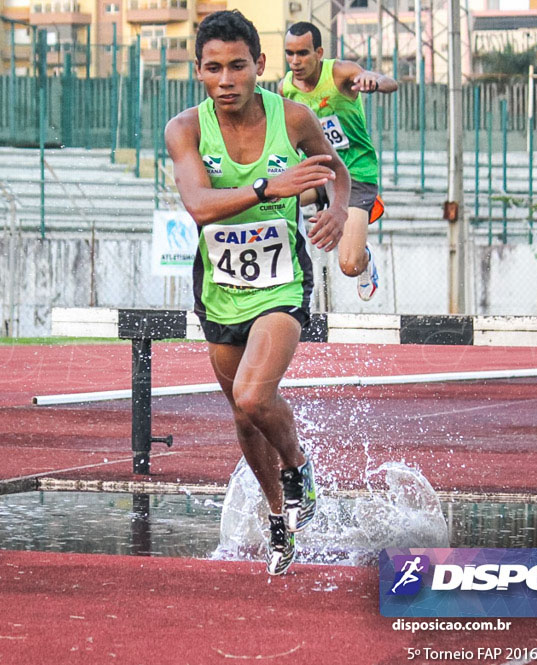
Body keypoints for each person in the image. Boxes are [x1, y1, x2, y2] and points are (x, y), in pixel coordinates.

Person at [165, 10, 351, 575]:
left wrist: (338, 211)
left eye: (238, 66)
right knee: (244, 418)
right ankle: (280, 520)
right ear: (198, 72)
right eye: (214, 68)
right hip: (220, 289)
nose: (226, 80)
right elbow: (198, 205)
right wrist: (269, 186)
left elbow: (336, 172)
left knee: (252, 395)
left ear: (259, 66)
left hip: (281, 283)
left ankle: (299, 470)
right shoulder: (186, 129)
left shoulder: (292, 119)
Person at [281, 21, 398, 302]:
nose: (295, 61)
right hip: (320, 172)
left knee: (349, 265)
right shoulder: (286, 88)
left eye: (303, 53)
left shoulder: (340, 73)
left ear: (319, 52)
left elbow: (389, 82)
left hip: (355, 172)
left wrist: (373, 82)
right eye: (290, 53)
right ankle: (286, 263)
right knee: (276, 196)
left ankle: (365, 258)